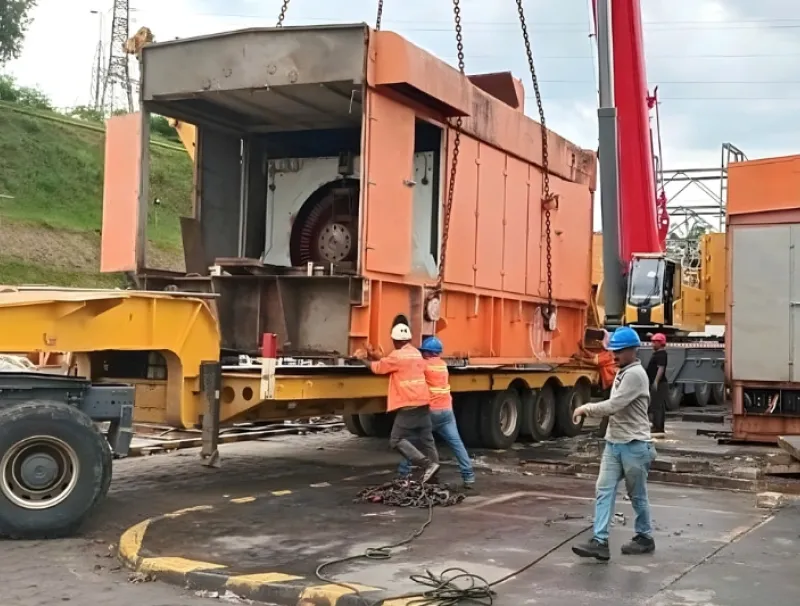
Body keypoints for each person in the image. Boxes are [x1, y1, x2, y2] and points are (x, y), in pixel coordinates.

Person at [570, 326, 657, 561]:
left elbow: (613, 405)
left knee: (636, 494)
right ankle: (600, 541)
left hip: (635, 445)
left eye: (618, 351)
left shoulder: (636, 375)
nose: (614, 355)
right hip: (615, 443)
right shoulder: (622, 371)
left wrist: (585, 408)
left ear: (632, 350)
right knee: (603, 490)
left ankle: (645, 537)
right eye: (613, 351)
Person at [356, 323, 440, 483]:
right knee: (427, 440)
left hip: (409, 405)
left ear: (395, 340)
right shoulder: (415, 353)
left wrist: (362, 359)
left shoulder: (397, 355)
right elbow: (391, 362)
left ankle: (427, 465)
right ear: (407, 339)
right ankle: (434, 473)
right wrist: (373, 354)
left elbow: (379, 368)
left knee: (396, 440)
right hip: (423, 402)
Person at [396, 336, 476, 489]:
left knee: (411, 440)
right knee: (457, 444)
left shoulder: (424, 365)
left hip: (430, 411)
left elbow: (406, 367)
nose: (422, 354)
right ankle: (469, 476)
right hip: (446, 411)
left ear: (427, 352)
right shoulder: (443, 365)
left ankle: (403, 472)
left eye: (424, 351)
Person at [647, 333, 668, 437]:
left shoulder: (661, 354)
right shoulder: (658, 353)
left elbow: (661, 368)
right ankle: (656, 425)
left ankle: (658, 427)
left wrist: (656, 382)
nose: (652, 344)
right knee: (656, 405)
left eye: (655, 342)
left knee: (657, 406)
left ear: (661, 343)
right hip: (657, 383)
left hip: (659, 384)